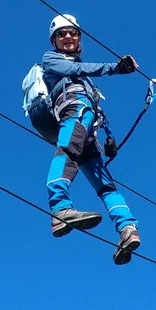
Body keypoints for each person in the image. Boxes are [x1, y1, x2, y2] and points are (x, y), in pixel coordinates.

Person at [41, 14, 142, 265]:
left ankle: (127, 229)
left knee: (106, 185)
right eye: (62, 34)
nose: (68, 37)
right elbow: (73, 69)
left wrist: (109, 139)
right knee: (67, 152)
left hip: (89, 126)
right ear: (54, 40)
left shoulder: (83, 79)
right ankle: (60, 209)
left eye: (73, 33)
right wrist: (114, 68)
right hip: (74, 111)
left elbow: (93, 101)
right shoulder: (51, 59)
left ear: (79, 38)